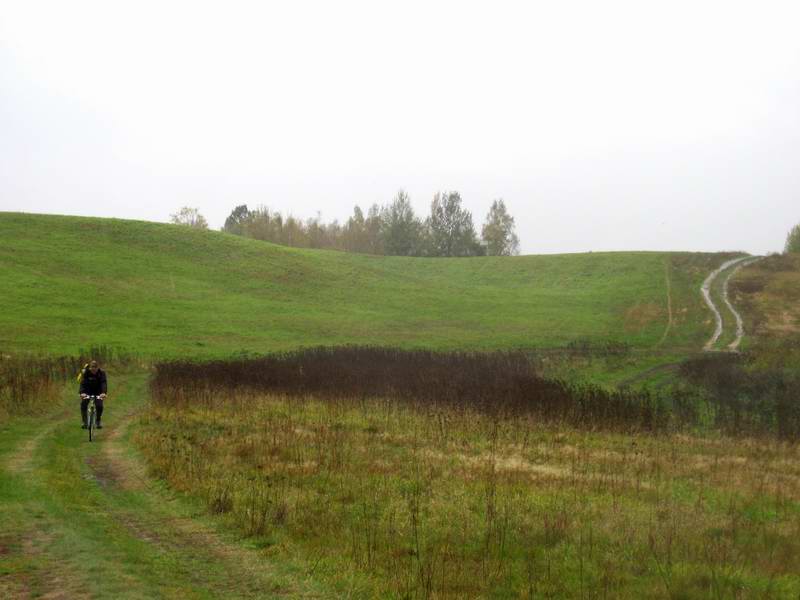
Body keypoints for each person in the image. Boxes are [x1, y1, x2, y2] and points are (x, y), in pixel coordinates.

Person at [79, 360, 107, 429]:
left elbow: (103, 383)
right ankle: (85, 422)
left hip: (98, 392)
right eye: (92, 369)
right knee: (83, 404)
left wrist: (103, 393)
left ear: (98, 368)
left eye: (95, 369)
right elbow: (82, 383)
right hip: (87, 391)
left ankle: (98, 421)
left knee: (99, 406)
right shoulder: (86, 373)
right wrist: (82, 392)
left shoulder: (102, 373)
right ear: (90, 368)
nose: (93, 371)